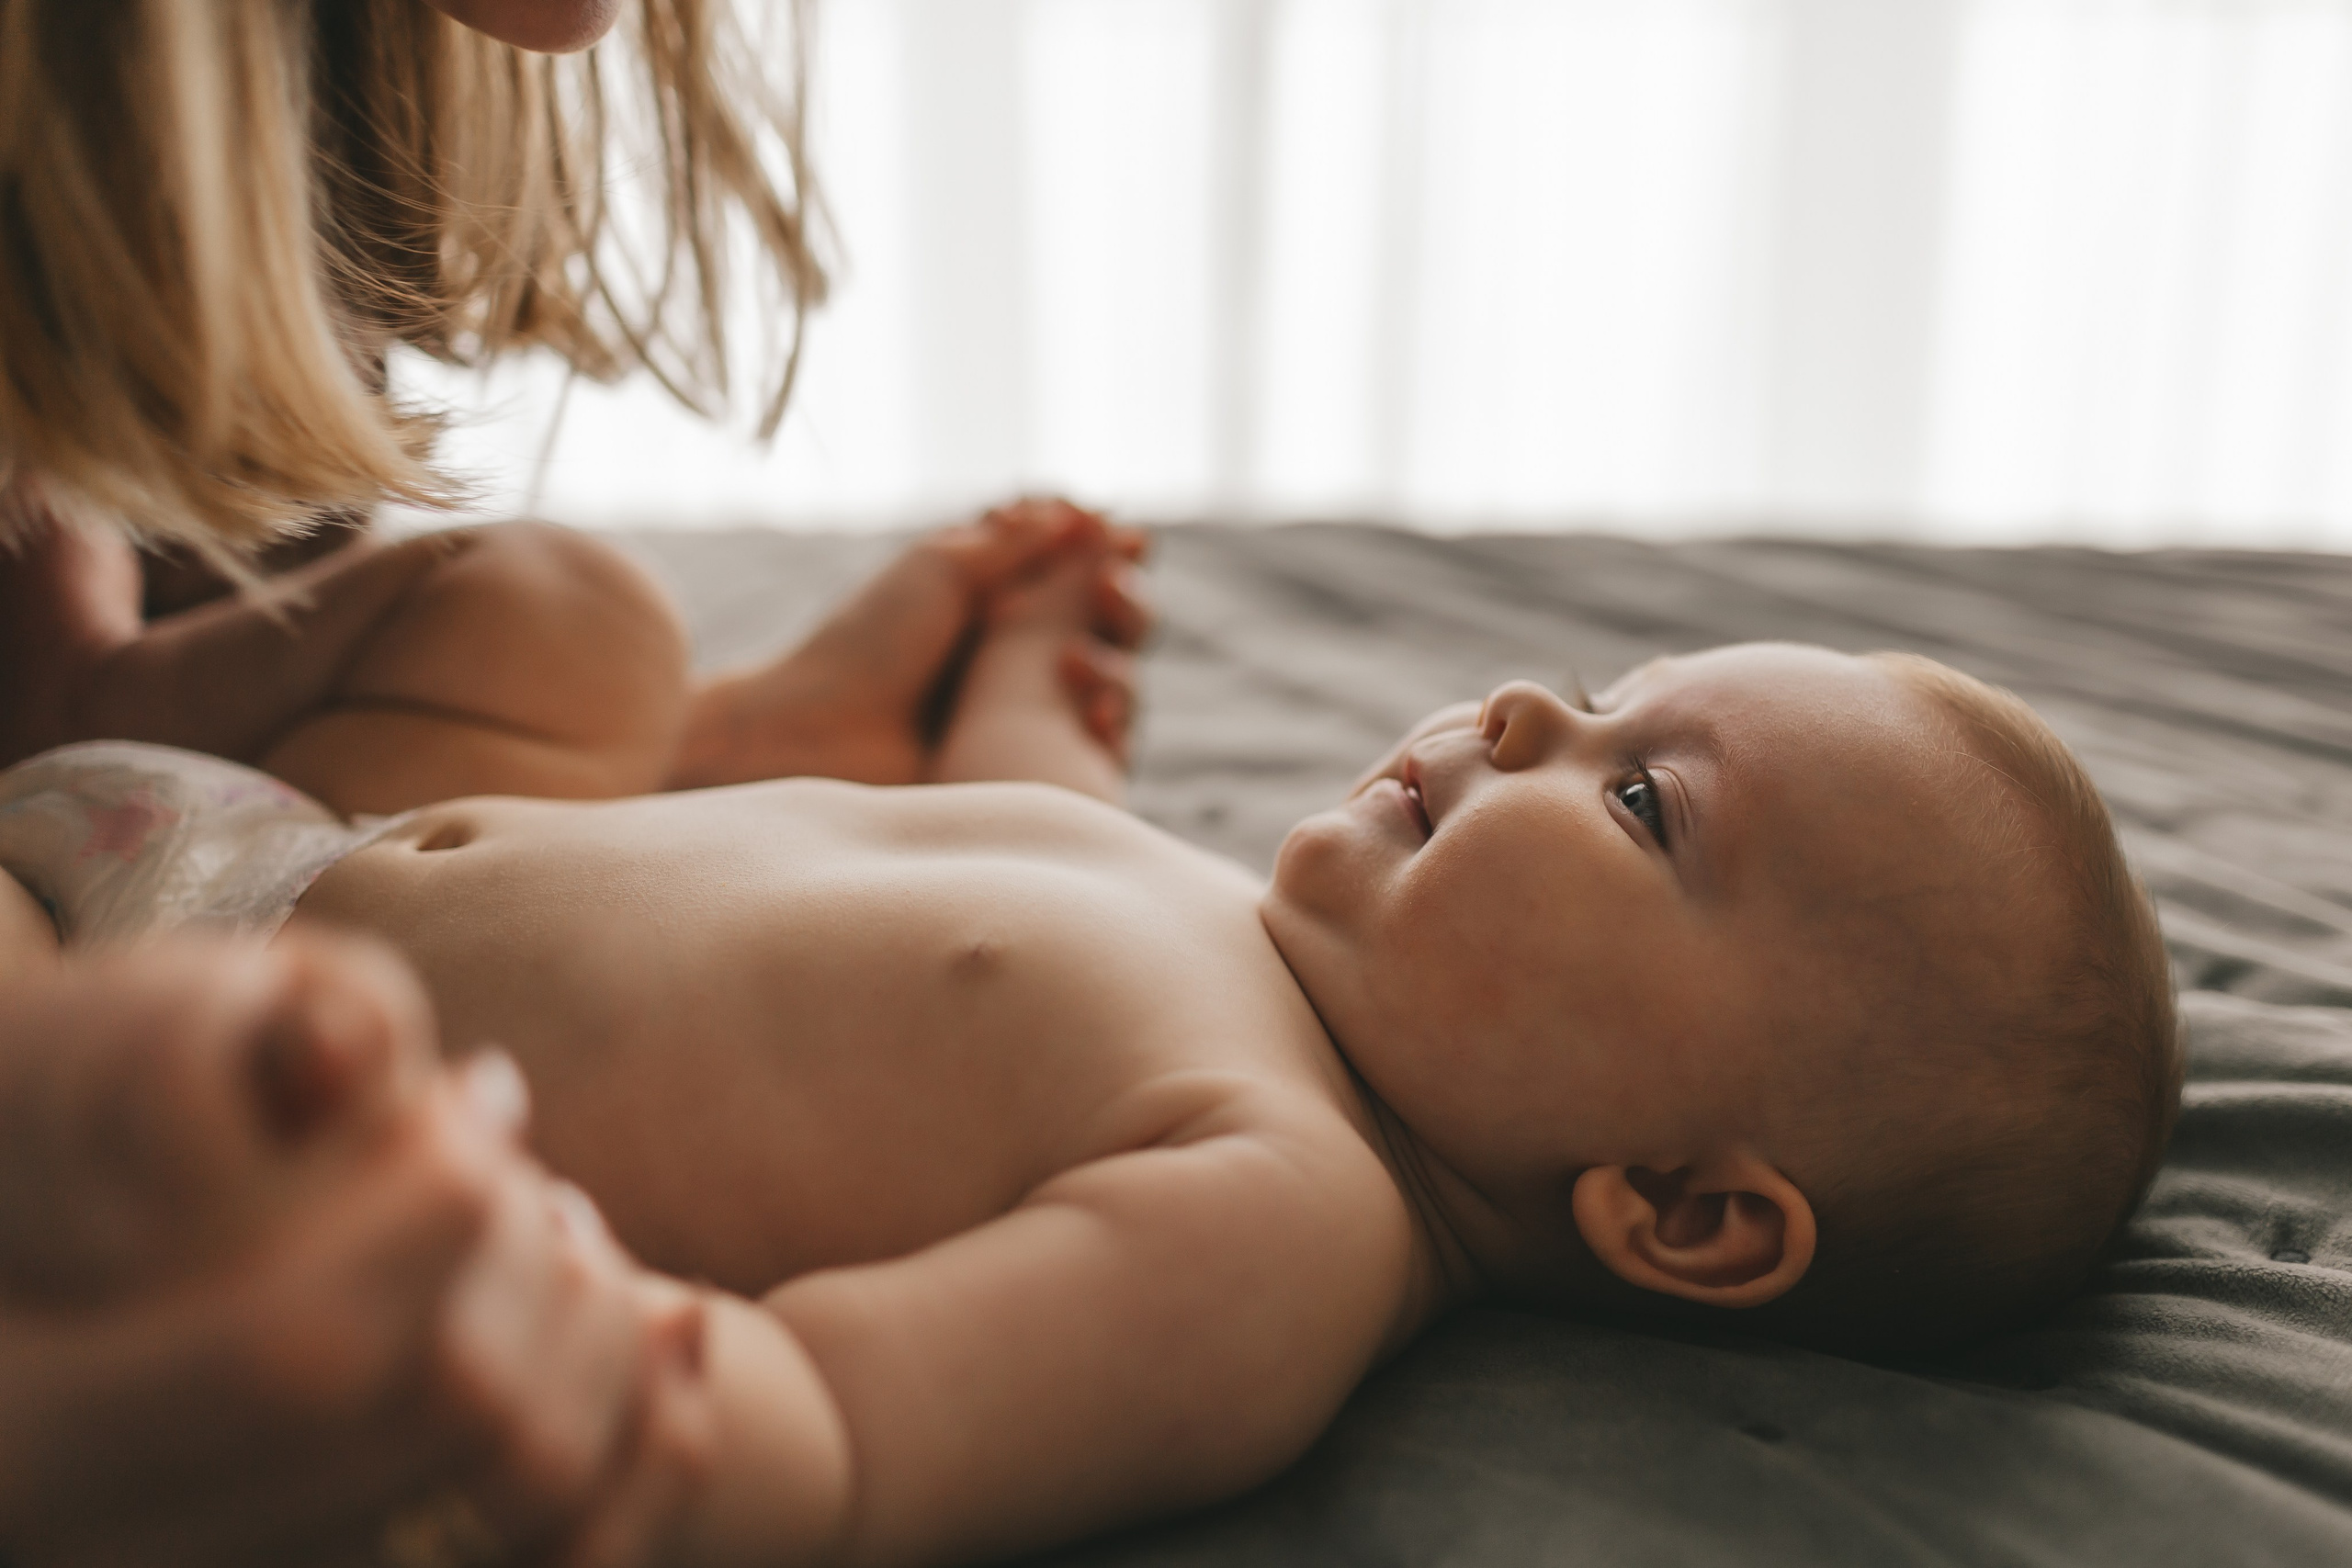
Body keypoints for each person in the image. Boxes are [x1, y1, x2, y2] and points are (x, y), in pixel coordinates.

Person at [0, 542, 2186, 1566]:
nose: (1525, 705)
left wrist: (590, 1377)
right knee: (564, 610)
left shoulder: (1272, 1223)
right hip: (297, 830)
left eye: (1637, 799)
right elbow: (1027, 819)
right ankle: (86, 682)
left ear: (1682, 1209)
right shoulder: (1251, 928)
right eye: (1606, 690)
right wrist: (1027, 667)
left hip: (204, 1070)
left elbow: (843, 1428)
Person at [0, 0, 1140, 1562]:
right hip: (118, 938)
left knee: (571, 616)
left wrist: (69, 675)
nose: (1478, 723)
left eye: (1610, 784)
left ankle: (687, 751)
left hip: (193, 813)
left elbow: (1038, 830)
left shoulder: (1307, 1178)